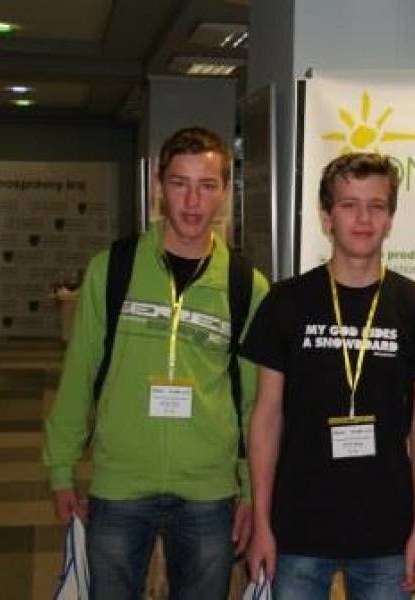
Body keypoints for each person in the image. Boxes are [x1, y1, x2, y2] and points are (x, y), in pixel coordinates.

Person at [43, 126, 268, 600]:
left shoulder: (247, 285)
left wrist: (252, 492)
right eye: (180, 183)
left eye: (207, 185)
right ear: (159, 186)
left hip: (208, 490)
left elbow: (255, 402)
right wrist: (61, 469)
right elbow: (80, 373)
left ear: (224, 192)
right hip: (120, 484)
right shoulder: (113, 268)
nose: (193, 201)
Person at [241, 152, 415, 598]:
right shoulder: (285, 302)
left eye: (376, 206)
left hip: (387, 534)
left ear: (390, 219)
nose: (363, 218)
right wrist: (261, 521)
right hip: (296, 529)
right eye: (349, 205)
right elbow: (266, 417)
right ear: (327, 217)